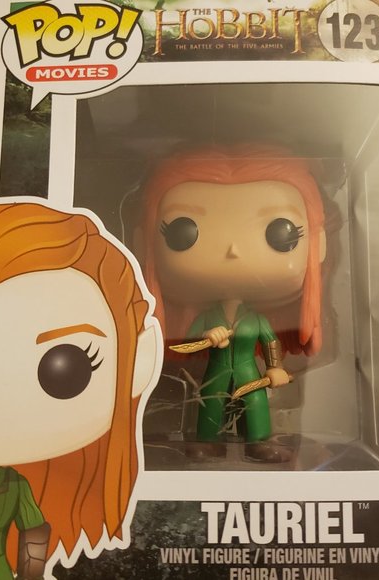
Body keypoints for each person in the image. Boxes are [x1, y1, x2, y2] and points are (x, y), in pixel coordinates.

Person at [0, 202, 161, 579]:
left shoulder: (14, 485)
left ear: (137, 365)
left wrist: (31, 574)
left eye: (65, 368)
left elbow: (34, 530)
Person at [140, 145, 325, 462]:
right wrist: (205, 337)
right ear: (141, 241)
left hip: (248, 371)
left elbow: (270, 342)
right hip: (215, 372)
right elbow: (187, 343)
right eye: (183, 232)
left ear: (319, 246)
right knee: (210, 404)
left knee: (256, 403)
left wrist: (275, 368)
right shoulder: (208, 315)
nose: (233, 249)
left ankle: (259, 442)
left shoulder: (256, 318)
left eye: (280, 233)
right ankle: (207, 442)